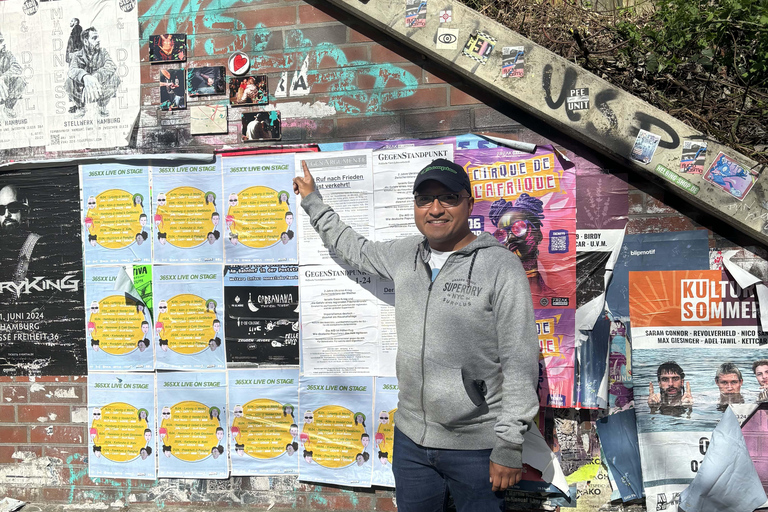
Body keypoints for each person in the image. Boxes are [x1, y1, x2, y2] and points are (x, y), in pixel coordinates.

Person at [294, 157, 539, 510]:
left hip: (476, 448)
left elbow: (520, 360)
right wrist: (313, 201)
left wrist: (509, 444)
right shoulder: (405, 254)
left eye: (448, 198)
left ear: (468, 203)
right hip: (411, 443)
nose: (435, 209)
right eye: (425, 199)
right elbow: (354, 248)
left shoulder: (499, 266)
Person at [488, 193, 553, 296]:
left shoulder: (551, 298)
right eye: (501, 234)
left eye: (519, 228)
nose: (511, 237)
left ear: (538, 234)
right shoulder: (492, 297)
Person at [65, 27, 121, 118]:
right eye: (94, 38)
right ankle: (81, 107)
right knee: (68, 82)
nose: (98, 40)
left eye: (98, 37)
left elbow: (111, 65)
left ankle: (102, 106)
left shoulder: (103, 52)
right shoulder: (77, 55)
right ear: (86, 42)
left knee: (116, 78)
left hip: (99, 87)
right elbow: (72, 70)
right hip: (83, 90)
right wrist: (85, 77)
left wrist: (94, 78)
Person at [0, 185, 41, 289]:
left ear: (25, 210)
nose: (6, 214)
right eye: (1, 209)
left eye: (13, 208)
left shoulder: (39, 245)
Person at [0, 31, 27, 119]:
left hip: (5, 88)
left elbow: (17, 68)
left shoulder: (7, 54)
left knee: (21, 81)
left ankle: (8, 107)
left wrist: (4, 77)